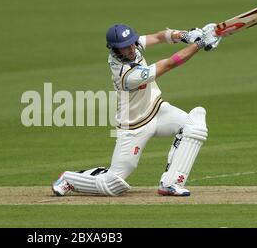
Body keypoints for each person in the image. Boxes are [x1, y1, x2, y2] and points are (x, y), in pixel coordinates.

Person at [52, 23, 221, 196]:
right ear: (115, 50)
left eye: (132, 43)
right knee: (112, 185)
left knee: (194, 126)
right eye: (125, 47)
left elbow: (159, 36)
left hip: (157, 110)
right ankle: (69, 179)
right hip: (134, 126)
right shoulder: (126, 75)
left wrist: (184, 35)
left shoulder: (131, 46)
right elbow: (169, 64)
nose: (131, 48)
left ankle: (170, 184)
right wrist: (198, 44)